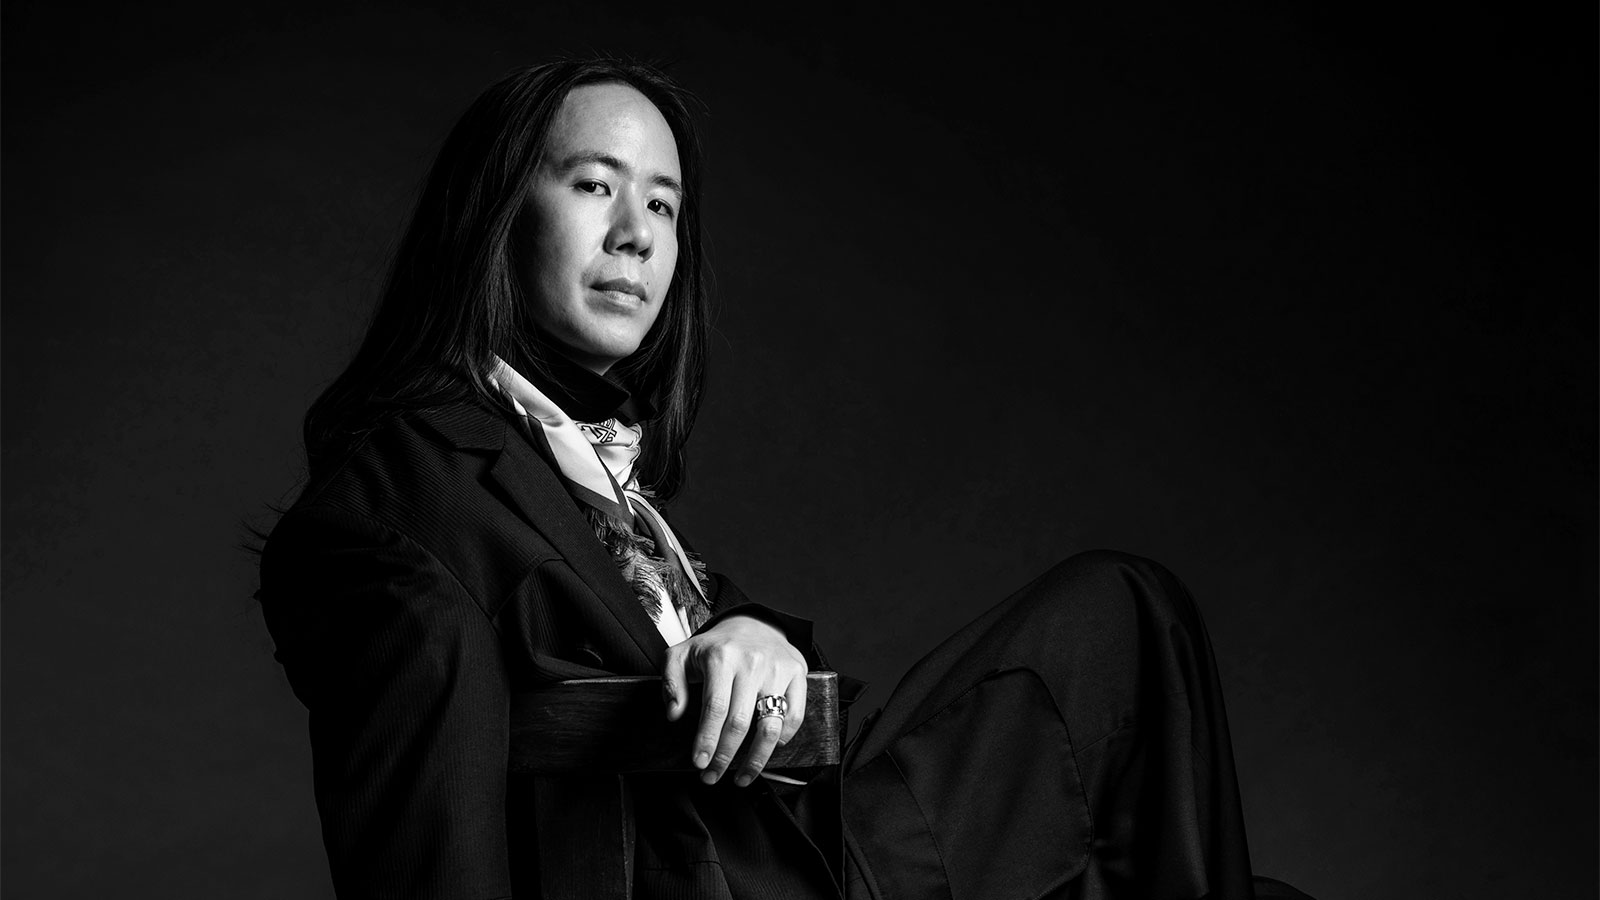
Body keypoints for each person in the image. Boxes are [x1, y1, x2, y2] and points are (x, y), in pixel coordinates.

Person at [259, 57, 1301, 900]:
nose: (637, 234)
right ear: (493, 214)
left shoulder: (579, 464)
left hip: (800, 840)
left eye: (663, 205)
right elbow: (428, 839)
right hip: (756, 876)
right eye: (594, 185)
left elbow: (666, 642)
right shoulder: (405, 489)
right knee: (1124, 613)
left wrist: (752, 632)